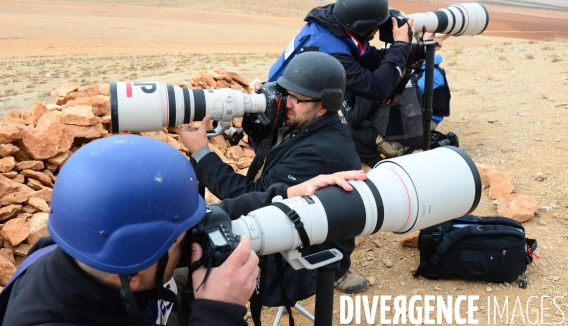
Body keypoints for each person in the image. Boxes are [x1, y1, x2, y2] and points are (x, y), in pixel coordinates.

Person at [0, 135, 259, 326]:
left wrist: (281, 195)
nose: (190, 241)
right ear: (134, 274)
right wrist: (218, 312)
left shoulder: (80, 248)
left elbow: (180, 219)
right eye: (180, 242)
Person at [172, 52, 369, 301]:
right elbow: (275, 169)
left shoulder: (320, 151)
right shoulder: (313, 128)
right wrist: (261, 128)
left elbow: (250, 196)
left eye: (296, 98)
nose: (286, 102)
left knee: (180, 277)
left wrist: (202, 152)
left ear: (322, 105)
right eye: (286, 93)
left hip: (296, 261)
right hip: (293, 233)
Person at [267, 0, 450, 101]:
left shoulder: (334, 27)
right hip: (284, 116)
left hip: (296, 103)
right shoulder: (332, 54)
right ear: (363, 26)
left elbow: (372, 59)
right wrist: (400, 45)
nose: (380, 29)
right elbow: (377, 88)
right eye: (378, 25)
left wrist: (421, 49)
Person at [342, 76, 423, 167]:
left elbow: (354, 121)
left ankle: (381, 164)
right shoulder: (406, 76)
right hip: (415, 142)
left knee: (341, 129)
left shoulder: (374, 81)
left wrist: (343, 98)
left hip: (393, 145)